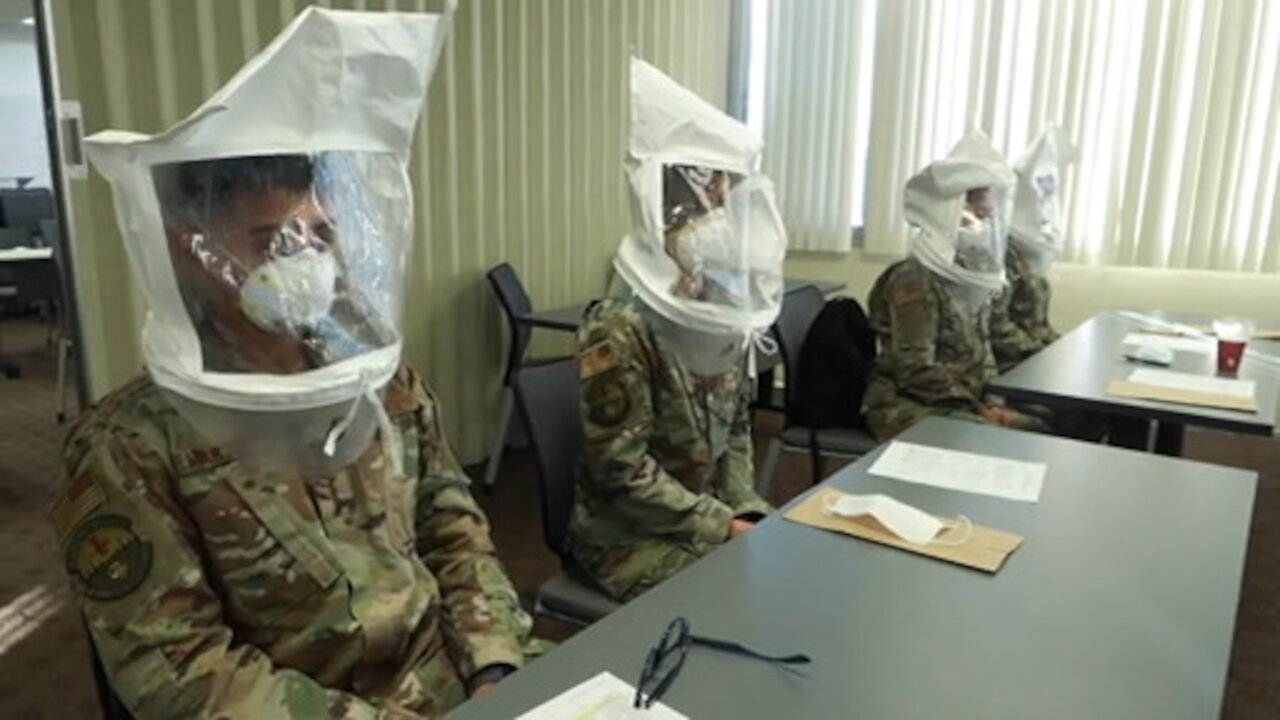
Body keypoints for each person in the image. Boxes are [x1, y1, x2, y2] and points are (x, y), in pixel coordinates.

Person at [53, 9, 535, 718]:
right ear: (196, 250)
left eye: (319, 233)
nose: (306, 262)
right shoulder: (131, 447)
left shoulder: (375, 379)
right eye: (271, 238)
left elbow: (455, 531)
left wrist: (495, 669)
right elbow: (185, 674)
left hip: (454, 683)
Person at [566, 59, 788, 602]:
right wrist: (720, 525)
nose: (721, 214)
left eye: (727, 195)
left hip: (704, 520)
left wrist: (746, 509)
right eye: (707, 197)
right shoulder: (619, 326)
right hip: (627, 537)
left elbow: (737, 429)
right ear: (664, 205)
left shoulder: (721, 307)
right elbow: (622, 471)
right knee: (746, 597)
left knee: (789, 567)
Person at [862, 129, 1050, 441]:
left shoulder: (969, 276)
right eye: (975, 204)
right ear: (948, 210)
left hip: (965, 399)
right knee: (1001, 440)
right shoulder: (915, 279)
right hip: (904, 404)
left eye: (986, 204)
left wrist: (994, 401)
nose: (986, 213)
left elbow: (982, 352)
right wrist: (979, 408)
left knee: (1043, 427)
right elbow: (916, 369)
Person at [990, 126, 1079, 371]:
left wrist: (1066, 347)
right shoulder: (1000, 257)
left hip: (1033, 360)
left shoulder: (1030, 258)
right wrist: (1046, 353)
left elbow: (1038, 326)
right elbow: (997, 328)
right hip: (1011, 366)